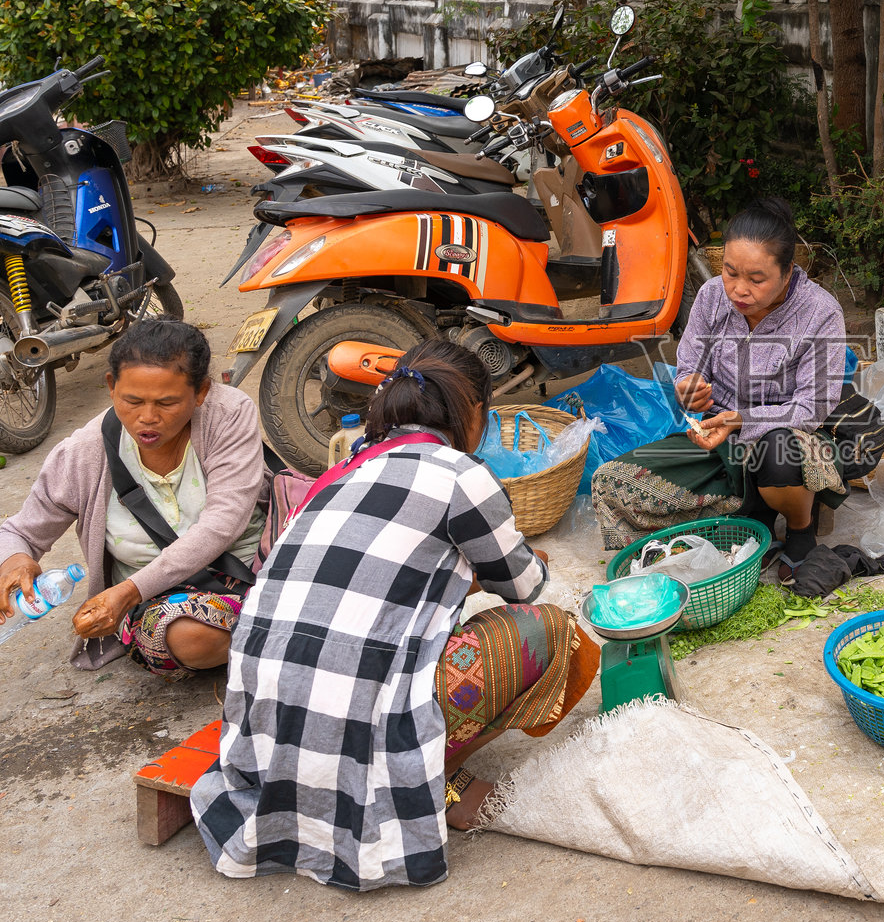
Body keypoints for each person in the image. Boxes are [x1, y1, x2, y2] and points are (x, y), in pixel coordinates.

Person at [191, 339, 598, 891]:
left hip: (263, 722)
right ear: (472, 412)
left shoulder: (336, 474)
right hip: (356, 720)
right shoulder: (460, 474)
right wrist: (491, 564)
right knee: (550, 631)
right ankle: (441, 777)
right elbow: (524, 584)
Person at [593, 197, 884, 556]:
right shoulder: (711, 296)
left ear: (788, 272)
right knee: (610, 483)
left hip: (794, 435)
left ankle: (800, 526)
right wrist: (689, 389)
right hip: (722, 438)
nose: (739, 289)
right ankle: (753, 509)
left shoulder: (819, 312)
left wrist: (742, 420)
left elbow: (811, 408)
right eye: (731, 272)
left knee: (779, 457)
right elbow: (689, 367)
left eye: (756, 279)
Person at [0, 319, 267, 679]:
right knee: (192, 638)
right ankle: (272, 634)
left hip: (249, 569)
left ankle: (267, 630)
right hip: (155, 600)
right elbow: (21, 531)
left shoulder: (228, 413)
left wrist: (129, 589)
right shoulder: (84, 452)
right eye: (132, 400)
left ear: (201, 391)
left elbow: (223, 523)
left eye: (167, 402)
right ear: (111, 388)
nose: (148, 418)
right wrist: (16, 561)